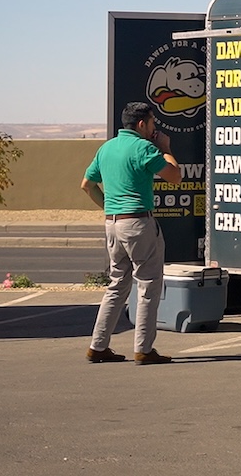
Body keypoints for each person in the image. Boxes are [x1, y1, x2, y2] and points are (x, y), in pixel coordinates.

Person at [81, 101, 182, 365]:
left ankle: (98, 345)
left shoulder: (107, 148)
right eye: (152, 123)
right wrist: (166, 148)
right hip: (138, 222)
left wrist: (109, 207)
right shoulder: (144, 148)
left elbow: (86, 185)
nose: (154, 128)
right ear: (141, 124)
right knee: (148, 284)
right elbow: (174, 176)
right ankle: (144, 349)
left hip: (113, 223)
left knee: (117, 284)